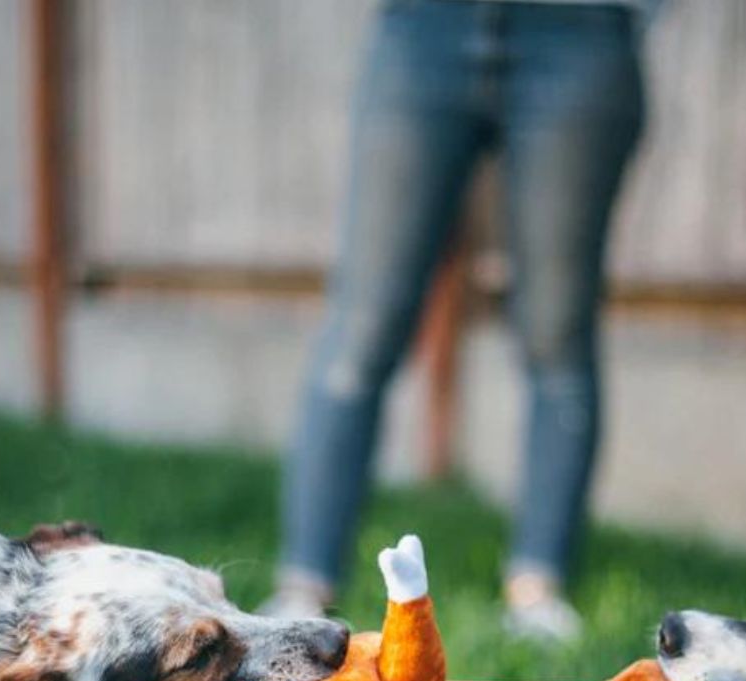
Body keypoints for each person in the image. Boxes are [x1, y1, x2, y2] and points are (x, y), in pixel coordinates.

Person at [264, 0, 648, 642]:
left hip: (583, 31)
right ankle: (303, 585)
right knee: (362, 329)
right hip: (424, 28)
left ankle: (537, 591)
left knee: (558, 333)